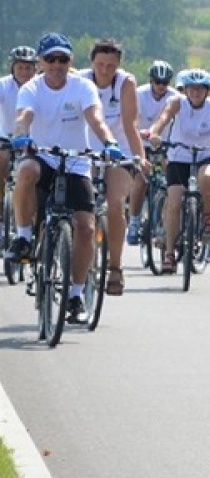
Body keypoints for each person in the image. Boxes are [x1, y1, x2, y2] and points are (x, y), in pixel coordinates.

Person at [6, 33, 129, 322]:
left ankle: (75, 293)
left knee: (86, 228)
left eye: (62, 59)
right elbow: (24, 115)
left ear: (70, 61)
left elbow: (96, 118)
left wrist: (110, 143)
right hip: (42, 156)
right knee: (25, 170)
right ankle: (23, 237)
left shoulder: (83, 87)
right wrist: (20, 134)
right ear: (40, 62)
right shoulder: (32, 89)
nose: (57, 65)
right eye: (50, 59)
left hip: (76, 162)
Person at [146, 68, 210, 274]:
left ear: (208, 91)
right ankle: (169, 253)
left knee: (209, 177)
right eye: (192, 89)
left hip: (207, 153)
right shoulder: (177, 102)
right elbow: (163, 119)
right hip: (179, 155)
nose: (196, 93)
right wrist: (155, 133)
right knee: (174, 202)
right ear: (186, 90)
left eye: (200, 89)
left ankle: (208, 213)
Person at [80, 39, 145, 294]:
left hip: (118, 151)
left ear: (119, 65)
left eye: (110, 65)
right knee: (79, 208)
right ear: (91, 63)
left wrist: (140, 158)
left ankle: (115, 267)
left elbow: (131, 125)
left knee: (115, 203)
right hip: (85, 150)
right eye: (100, 64)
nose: (104, 70)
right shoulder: (81, 81)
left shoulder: (125, 83)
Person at [130, 60, 178, 244]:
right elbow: (130, 117)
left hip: (164, 144)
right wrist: (139, 133)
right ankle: (134, 221)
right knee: (140, 181)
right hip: (141, 143)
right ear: (151, 81)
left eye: (165, 83)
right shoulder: (138, 94)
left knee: (171, 181)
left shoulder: (174, 97)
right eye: (157, 82)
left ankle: (164, 221)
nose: (160, 86)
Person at [0, 46, 38, 202]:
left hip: (34, 138)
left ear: (35, 69)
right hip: (6, 137)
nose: (24, 72)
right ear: (12, 68)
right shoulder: (4, 85)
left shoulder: (40, 85)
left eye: (28, 68)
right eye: (20, 67)